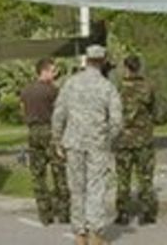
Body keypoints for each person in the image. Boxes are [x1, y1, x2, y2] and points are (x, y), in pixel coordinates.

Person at [53, 45, 123, 245]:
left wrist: (57, 139)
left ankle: (79, 234)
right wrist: (108, 139)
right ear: (103, 61)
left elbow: (59, 114)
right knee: (96, 187)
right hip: (97, 144)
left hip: (73, 142)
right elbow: (117, 121)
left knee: (76, 188)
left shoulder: (70, 83)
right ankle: (95, 234)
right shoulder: (107, 87)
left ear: (87, 60)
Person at [20, 57, 69, 225]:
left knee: (38, 174)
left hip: (33, 132)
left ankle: (44, 213)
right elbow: (61, 113)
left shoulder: (26, 91)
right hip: (50, 131)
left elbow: (23, 112)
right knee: (59, 171)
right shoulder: (53, 91)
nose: (55, 74)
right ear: (45, 71)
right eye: (53, 71)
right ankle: (63, 212)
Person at [115, 55, 158, 225]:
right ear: (139, 67)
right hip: (143, 138)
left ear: (126, 67)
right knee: (145, 177)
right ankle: (146, 213)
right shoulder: (148, 87)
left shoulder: (118, 88)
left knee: (123, 178)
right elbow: (154, 111)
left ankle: (122, 213)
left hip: (123, 139)